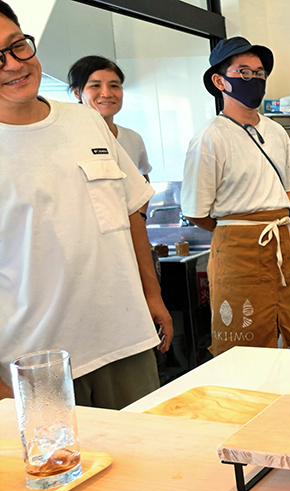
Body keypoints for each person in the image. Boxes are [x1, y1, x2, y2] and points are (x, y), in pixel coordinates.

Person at [0, 1, 173, 409]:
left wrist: (151, 294)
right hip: (36, 361)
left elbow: (129, 210)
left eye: (17, 46)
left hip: (125, 340)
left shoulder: (85, 121)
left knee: (148, 461)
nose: (12, 65)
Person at [181, 36, 290, 356]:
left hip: (281, 242)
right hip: (237, 251)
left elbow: (287, 193)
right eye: (244, 72)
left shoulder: (277, 132)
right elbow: (196, 212)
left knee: (287, 331)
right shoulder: (209, 138)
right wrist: (239, 230)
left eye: (259, 73)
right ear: (220, 80)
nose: (254, 79)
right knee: (243, 344)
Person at [68, 55, 152, 215]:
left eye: (114, 85)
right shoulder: (69, 140)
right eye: (95, 85)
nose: (106, 93)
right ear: (77, 93)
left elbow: (143, 182)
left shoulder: (133, 138)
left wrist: (141, 217)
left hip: (129, 232)